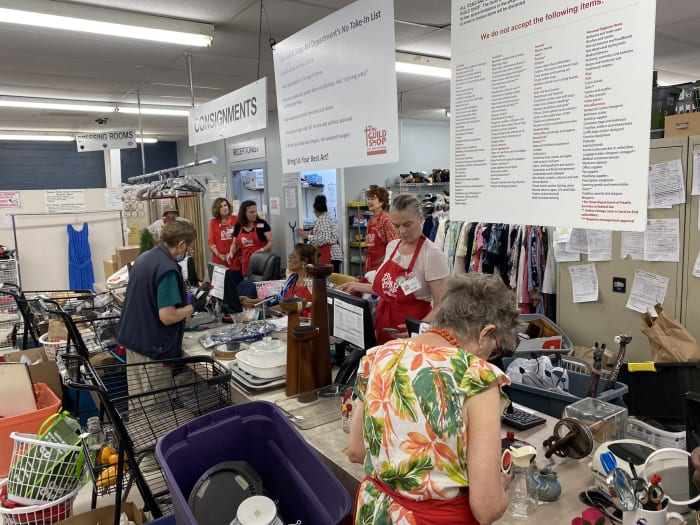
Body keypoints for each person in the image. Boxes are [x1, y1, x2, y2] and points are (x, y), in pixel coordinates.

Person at [348, 273, 518, 525]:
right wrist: (501, 487)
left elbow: (357, 451)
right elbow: (486, 507)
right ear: (485, 333)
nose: (490, 356)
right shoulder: (475, 377)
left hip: (375, 514)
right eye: (495, 349)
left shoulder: (377, 356)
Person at [338, 193, 449, 345]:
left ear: (421, 218)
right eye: (396, 225)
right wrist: (356, 286)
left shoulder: (432, 255)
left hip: (413, 333)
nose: (402, 231)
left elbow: (442, 304)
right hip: (384, 324)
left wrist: (417, 328)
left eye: (407, 224)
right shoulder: (392, 247)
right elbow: (389, 290)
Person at [117, 220, 207, 369]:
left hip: (133, 342)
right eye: (188, 247)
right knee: (156, 393)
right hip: (152, 351)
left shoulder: (144, 257)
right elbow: (168, 317)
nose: (189, 251)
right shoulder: (167, 269)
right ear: (181, 244)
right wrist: (194, 306)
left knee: (138, 392)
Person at [241, 243, 316, 318]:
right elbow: (278, 299)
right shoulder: (292, 279)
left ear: (304, 261)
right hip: (288, 320)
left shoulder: (315, 281)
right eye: (289, 256)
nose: (289, 259)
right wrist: (251, 301)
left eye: (292, 257)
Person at [296, 194, 342, 272]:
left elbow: (325, 238)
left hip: (331, 255)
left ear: (314, 209)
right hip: (331, 255)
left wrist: (307, 236)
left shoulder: (323, 219)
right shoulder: (325, 219)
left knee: (330, 280)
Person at [231, 200, 273, 277]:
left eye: (255, 211)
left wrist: (262, 250)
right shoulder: (238, 225)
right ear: (244, 213)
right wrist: (231, 253)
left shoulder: (262, 224)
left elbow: (270, 242)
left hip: (261, 261)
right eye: (251, 212)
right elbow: (235, 244)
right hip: (246, 262)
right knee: (248, 285)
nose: (254, 214)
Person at [208, 197, 242, 285]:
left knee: (235, 286)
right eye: (221, 206)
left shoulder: (236, 220)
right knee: (221, 287)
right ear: (216, 209)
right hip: (219, 260)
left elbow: (239, 240)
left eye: (225, 205)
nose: (224, 208)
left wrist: (231, 253)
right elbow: (211, 242)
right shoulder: (213, 222)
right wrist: (219, 255)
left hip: (234, 259)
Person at [364, 185, 397, 274]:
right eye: (368, 199)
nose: (369, 202)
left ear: (381, 202)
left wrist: (385, 263)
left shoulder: (386, 220)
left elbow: (394, 245)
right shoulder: (371, 220)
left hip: (382, 265)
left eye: (373, 199)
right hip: (370, 263)